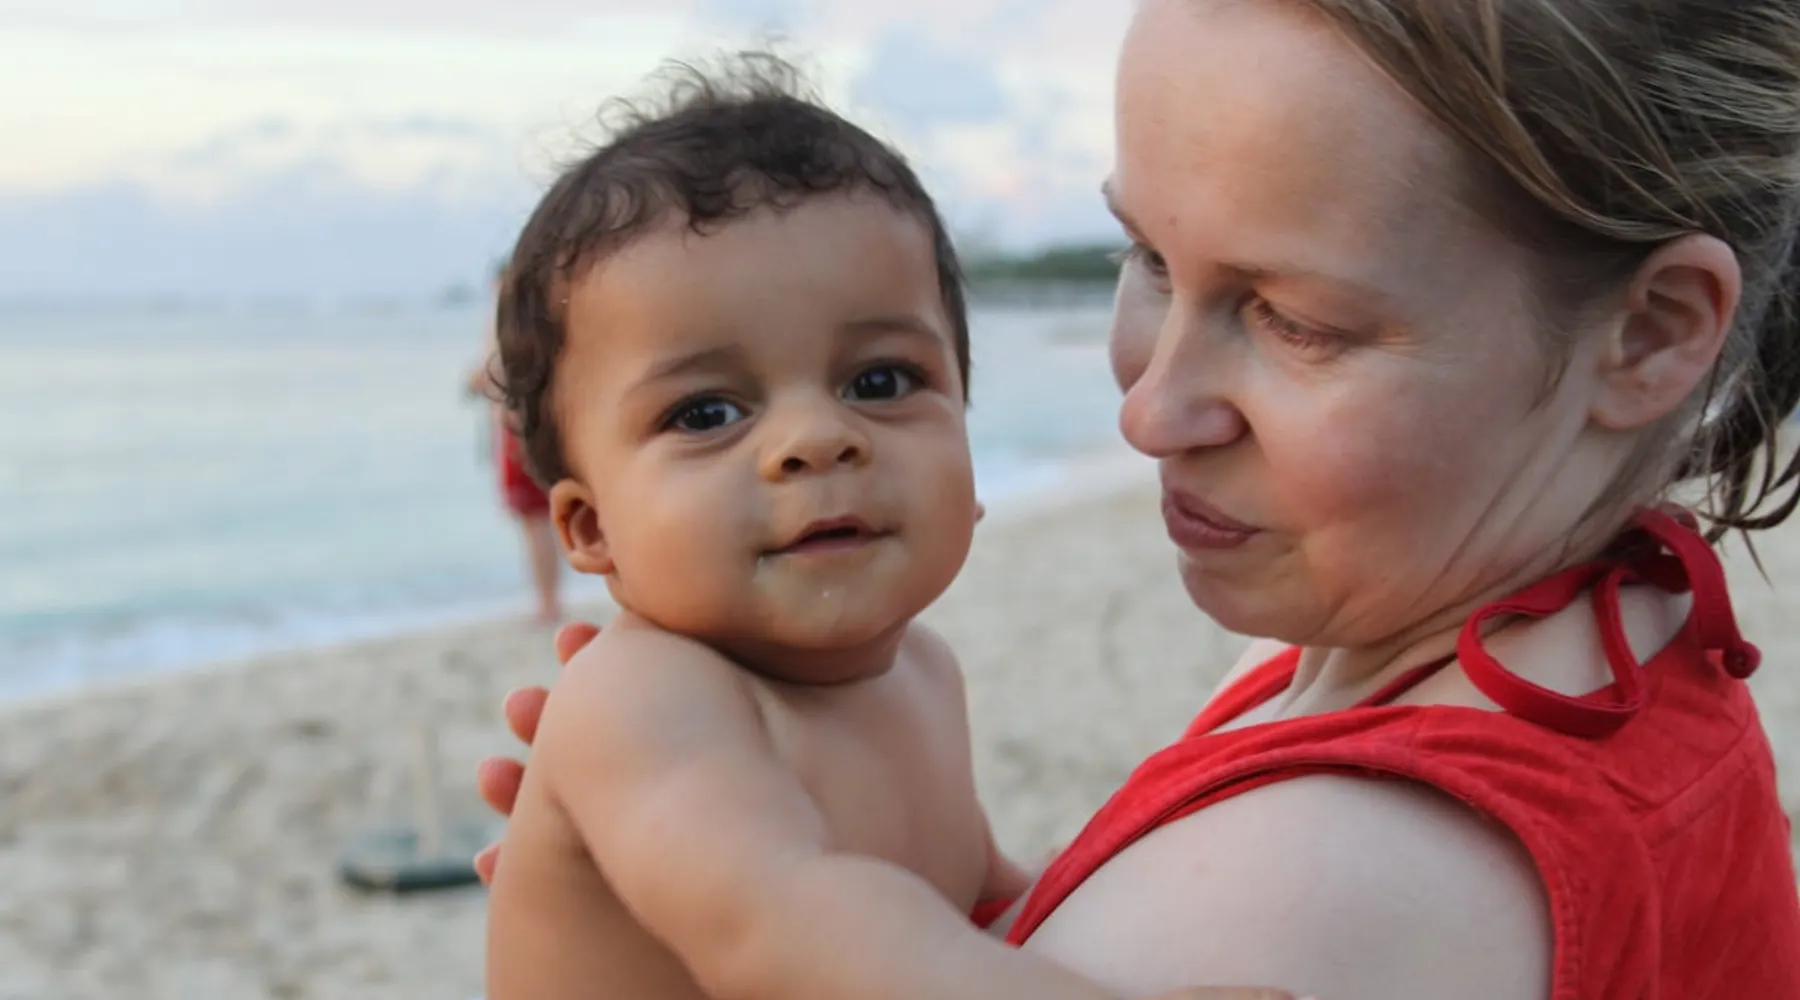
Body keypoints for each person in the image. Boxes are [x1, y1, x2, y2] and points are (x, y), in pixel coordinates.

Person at [477, 1, 1800, 997]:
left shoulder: (1335, 887)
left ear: (1652, 332)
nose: (1147, 412)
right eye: (1149, 257)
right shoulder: (1637, 641)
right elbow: (823, 916)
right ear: (584, 522)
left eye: (1293, 319)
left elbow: (856, 916)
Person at [479, 56, 1276, 1000]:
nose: (816, 439)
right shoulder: (641, 700)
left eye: (880, 381)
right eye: (706, 413)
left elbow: (975, 912)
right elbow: (781, 922)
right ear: (590, 527)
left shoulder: (923, 674)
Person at [466, 263, 563, 624]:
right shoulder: (525, 320)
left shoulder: (515, 322)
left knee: (534, 518)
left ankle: (548, 602)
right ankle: (548, 599)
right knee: (538, 518)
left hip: (519, 428)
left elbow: (503, 375)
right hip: (520, 426)